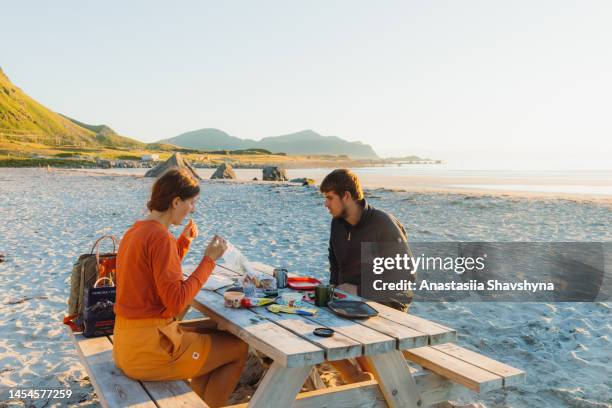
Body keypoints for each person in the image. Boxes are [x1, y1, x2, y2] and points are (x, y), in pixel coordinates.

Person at [113, 168, 248, 407]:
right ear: (176, 201)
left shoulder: (136, 231)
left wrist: (183, 243)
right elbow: (176, 302)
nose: (193, 209)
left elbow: (155, 271)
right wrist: (209, 260)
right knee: (238, 349)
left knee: (214, 333)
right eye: (192, 202)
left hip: (127, 342)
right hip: (149, 350)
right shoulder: (160, 238)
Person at [320, 168, 414, 382]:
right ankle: (356, 376)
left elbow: (405, 277)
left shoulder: (383, 224)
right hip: (351, 300)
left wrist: (360, 290)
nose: (326, 204)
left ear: (347, 196)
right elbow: (334, 261)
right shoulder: (338, 224)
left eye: (330, 198)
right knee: (310, 322)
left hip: (386, 303)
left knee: (337, 332)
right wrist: (334, 287)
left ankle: (375, 378)